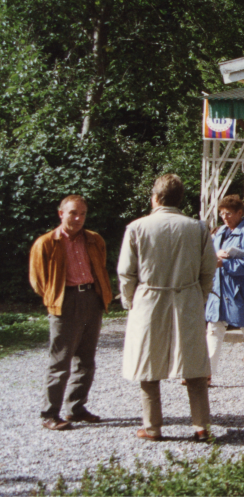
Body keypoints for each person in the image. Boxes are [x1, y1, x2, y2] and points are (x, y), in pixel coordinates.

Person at [118, 174, 217, 442]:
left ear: (156, 198)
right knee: (194, 366)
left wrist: (130, 302)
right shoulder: (197, 228)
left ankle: (152, 427)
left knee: (149, 366)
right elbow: (209, 270)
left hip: (149, 300)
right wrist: (200, 296)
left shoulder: (137, 227)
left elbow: (126, 273)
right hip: (186, 299)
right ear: (180, 199)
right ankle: (202, 427)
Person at [29, 195, 114, 431]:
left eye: (83, 214)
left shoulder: (94, 240)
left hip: (91, 299)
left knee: (86, 359)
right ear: (61, 214)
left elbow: (100, 266)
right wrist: (55, 298)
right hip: (64, 301)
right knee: (60, 360)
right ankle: (50, 414)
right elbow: (38, 281)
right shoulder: (46, 243)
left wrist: (98, 296)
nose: (78, 218)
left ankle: (76, 408)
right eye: (73, 213)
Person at [205, 195, 244, 381]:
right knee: (214, 330)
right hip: (219, 290)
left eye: (228, 213)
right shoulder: (221, 231)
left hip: (240, 290)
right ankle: (206, 374)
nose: (224, 217)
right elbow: (210, 256)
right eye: (222, 213)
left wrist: (226, 264)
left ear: (239, 213)